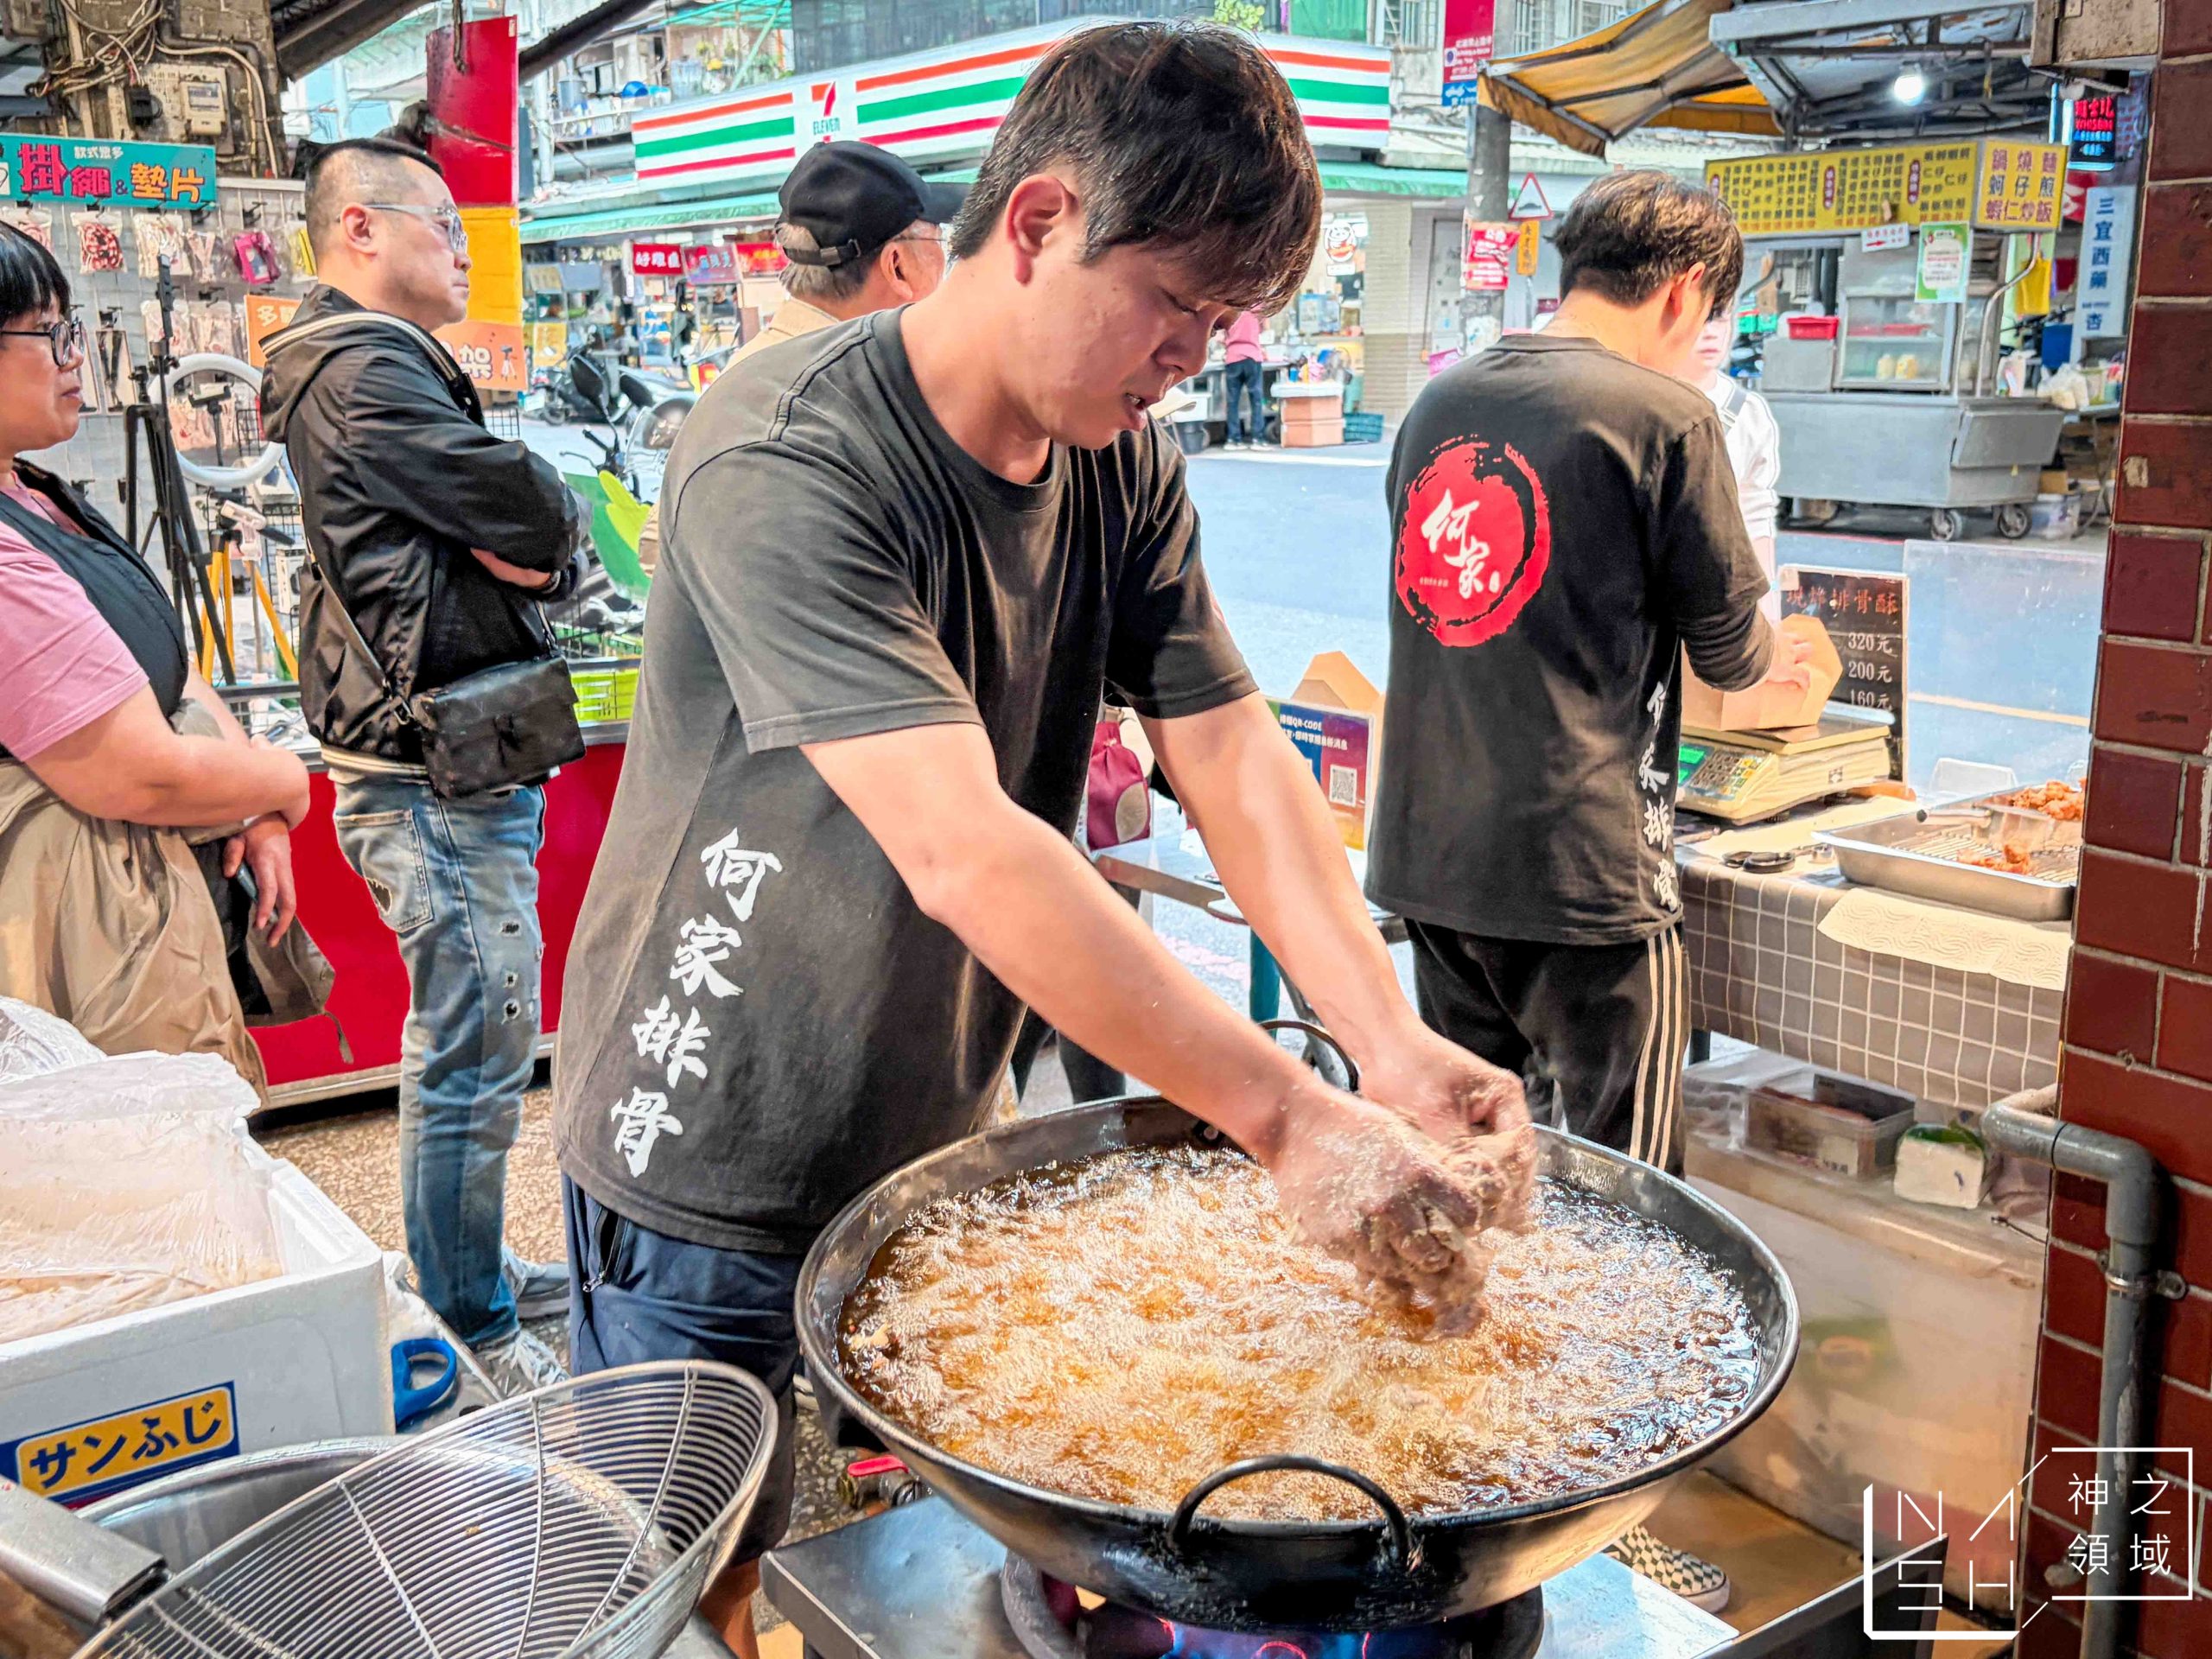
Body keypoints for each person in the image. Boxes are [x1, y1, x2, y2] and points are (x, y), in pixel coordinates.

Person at [553, 24, 1535, 1656]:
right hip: (714, 1125)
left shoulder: (1119, 464)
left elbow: (1228, 750)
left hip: (933, 1104)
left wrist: (1386, 1044)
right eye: (1176, 306)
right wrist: (1290, 1121)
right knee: (683, 1575)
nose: (1192, 360)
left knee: (975, 1507)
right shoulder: (787, 452)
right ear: (1038, 222)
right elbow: (969, 849)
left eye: (1223, 327)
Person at [1364, 169, 1813, 1612]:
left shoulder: (1439, 402)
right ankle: (1603, 1520)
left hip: (1432, 860)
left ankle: (1450, 1477)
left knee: (1458, 1190)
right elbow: (1736, 656)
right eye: (1711, 318)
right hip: (1584, 873)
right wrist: (1789, 652)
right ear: (1684, 294)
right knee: (1632, 1213)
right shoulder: (1665, 416)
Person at [260, 136, 590, 1397]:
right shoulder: (361, 369)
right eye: (443, 225)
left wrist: (533, 543)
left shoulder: (372, 361)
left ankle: (474, 1274)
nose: (462, 250)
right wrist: (533, 536)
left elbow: (533, 540)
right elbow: (536, 511)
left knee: (477, 1045)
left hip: (446, 759)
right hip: (429, 776)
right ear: (359, 227)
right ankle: (469, 1320)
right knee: (471, 1055)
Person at [0, 224, 310, 1087]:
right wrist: (283, 783)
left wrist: (247, 805)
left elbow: (166, 670)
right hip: (86, 937)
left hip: (143, 905)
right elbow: (136, 773)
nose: (76, 357)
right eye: (51, 333)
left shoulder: (38, 493)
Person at [636, 141, 960, 575]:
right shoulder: (818, 393)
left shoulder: (774, 369)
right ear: (897, 266)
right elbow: (662, 549)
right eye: (938, 239)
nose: (945, 259)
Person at [1682, 312, 1783, 619]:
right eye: (1700, 318)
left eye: (1720, 319)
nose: (1711, 332)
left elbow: (1755, 514)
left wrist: (1767, 608)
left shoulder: (1749, 412)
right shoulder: (1638, 401)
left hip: (1720, 600)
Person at [1221, 307, 1268, 448]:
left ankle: (1233, 439)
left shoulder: (1229, 308)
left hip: (1233, 357)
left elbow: (1220, 336)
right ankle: (1257, 439)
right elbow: (1265, 328)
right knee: (1256, 399)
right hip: (1252, 356)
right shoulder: (1258, 308)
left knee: (1232, 401)